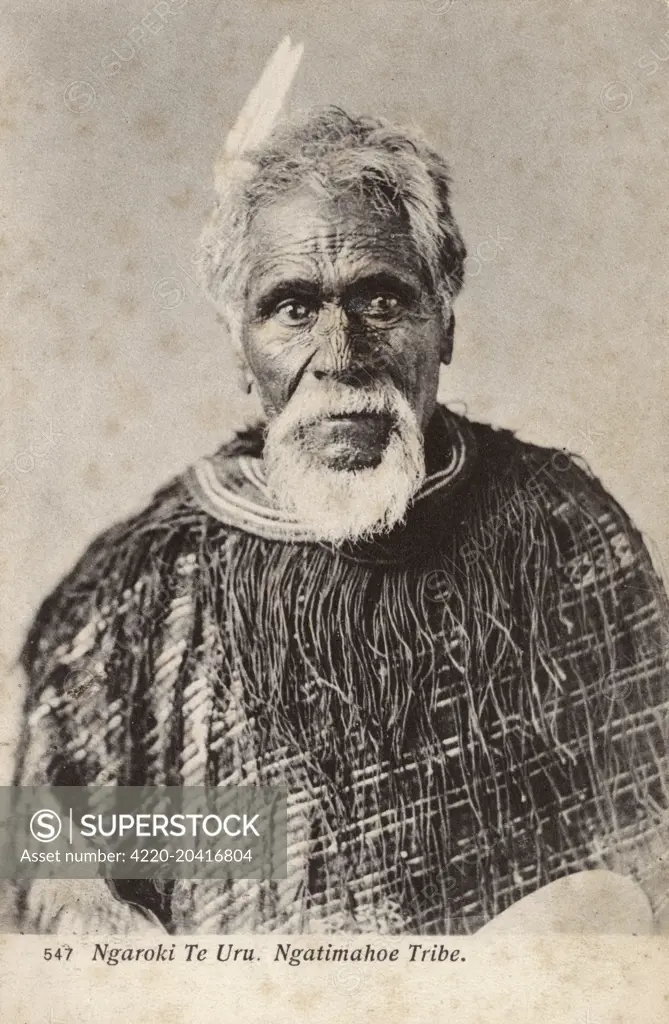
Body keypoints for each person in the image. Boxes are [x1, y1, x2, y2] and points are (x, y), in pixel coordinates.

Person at [13, 108, 669, 935]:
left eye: (381, 298)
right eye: (291, 307)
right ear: (236, 346)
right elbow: (52, 870)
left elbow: (650, 832)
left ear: (446, 321)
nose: (339, 350)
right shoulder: (135, 590)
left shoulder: (566, 536)